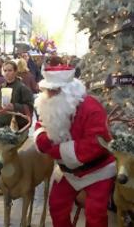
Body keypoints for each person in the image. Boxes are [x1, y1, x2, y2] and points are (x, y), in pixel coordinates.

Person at [33, 56, 116, 227]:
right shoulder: (51, 105)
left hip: (97, 171)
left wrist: (55, 150)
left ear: (67, 91)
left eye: (53, 91)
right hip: (68, 172)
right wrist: (42, 136)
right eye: (47, 91)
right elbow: (42, 125)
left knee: (95, 215)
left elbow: (95, 144)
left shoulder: (91, 108)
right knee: (57, 206)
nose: (48, 96)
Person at [0, 61, 34, 194]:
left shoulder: (22, 88)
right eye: (5, 70)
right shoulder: (0, 88)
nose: (7, 73)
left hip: (17, 128)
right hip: (2, 127)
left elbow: (30, 106)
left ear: (16, 72)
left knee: (13, 157)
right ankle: (1, 185)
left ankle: (18, 183)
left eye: (10, 70)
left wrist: (15, 107)